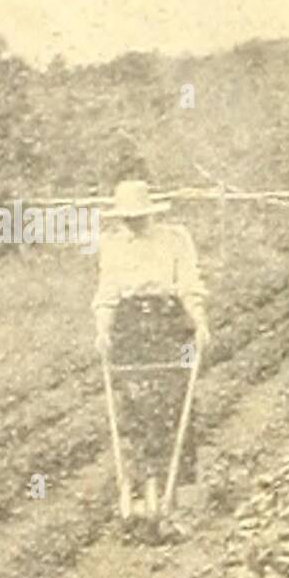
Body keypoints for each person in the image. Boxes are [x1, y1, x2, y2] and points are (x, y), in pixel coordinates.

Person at [93, 179, 210, 521]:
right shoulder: (112, 245)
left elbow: (190, 283)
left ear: (151, 213)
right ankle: (144, 482)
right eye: (127, 217)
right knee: (134, 406)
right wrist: (102, 330)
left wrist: (199, 322)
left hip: (171, 323)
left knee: (176, 400)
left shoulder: (175, 238)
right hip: (129, 326)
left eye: (138, 216)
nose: (133, 223)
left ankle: (180, 486)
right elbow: (107, 292)